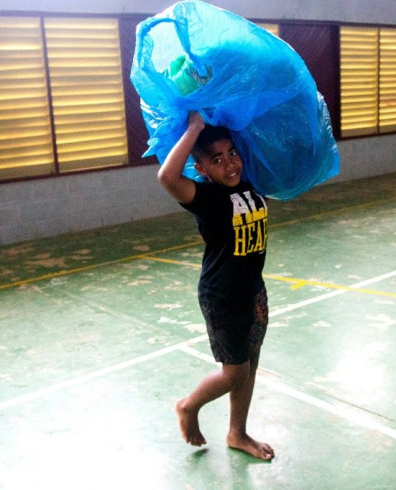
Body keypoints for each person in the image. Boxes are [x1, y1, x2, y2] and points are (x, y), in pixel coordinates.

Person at [157, 111, 274, 461]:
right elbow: (166, 177)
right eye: (217, 160)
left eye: (232, 154)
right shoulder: (206, 199)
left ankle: (237, 433)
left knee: (249, 365)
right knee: (234, 373)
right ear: (203, 168)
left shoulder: (250, 185)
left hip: (253, 290)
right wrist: (194, 128)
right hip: (223, 297)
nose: (229, 164)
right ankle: (189, 406)